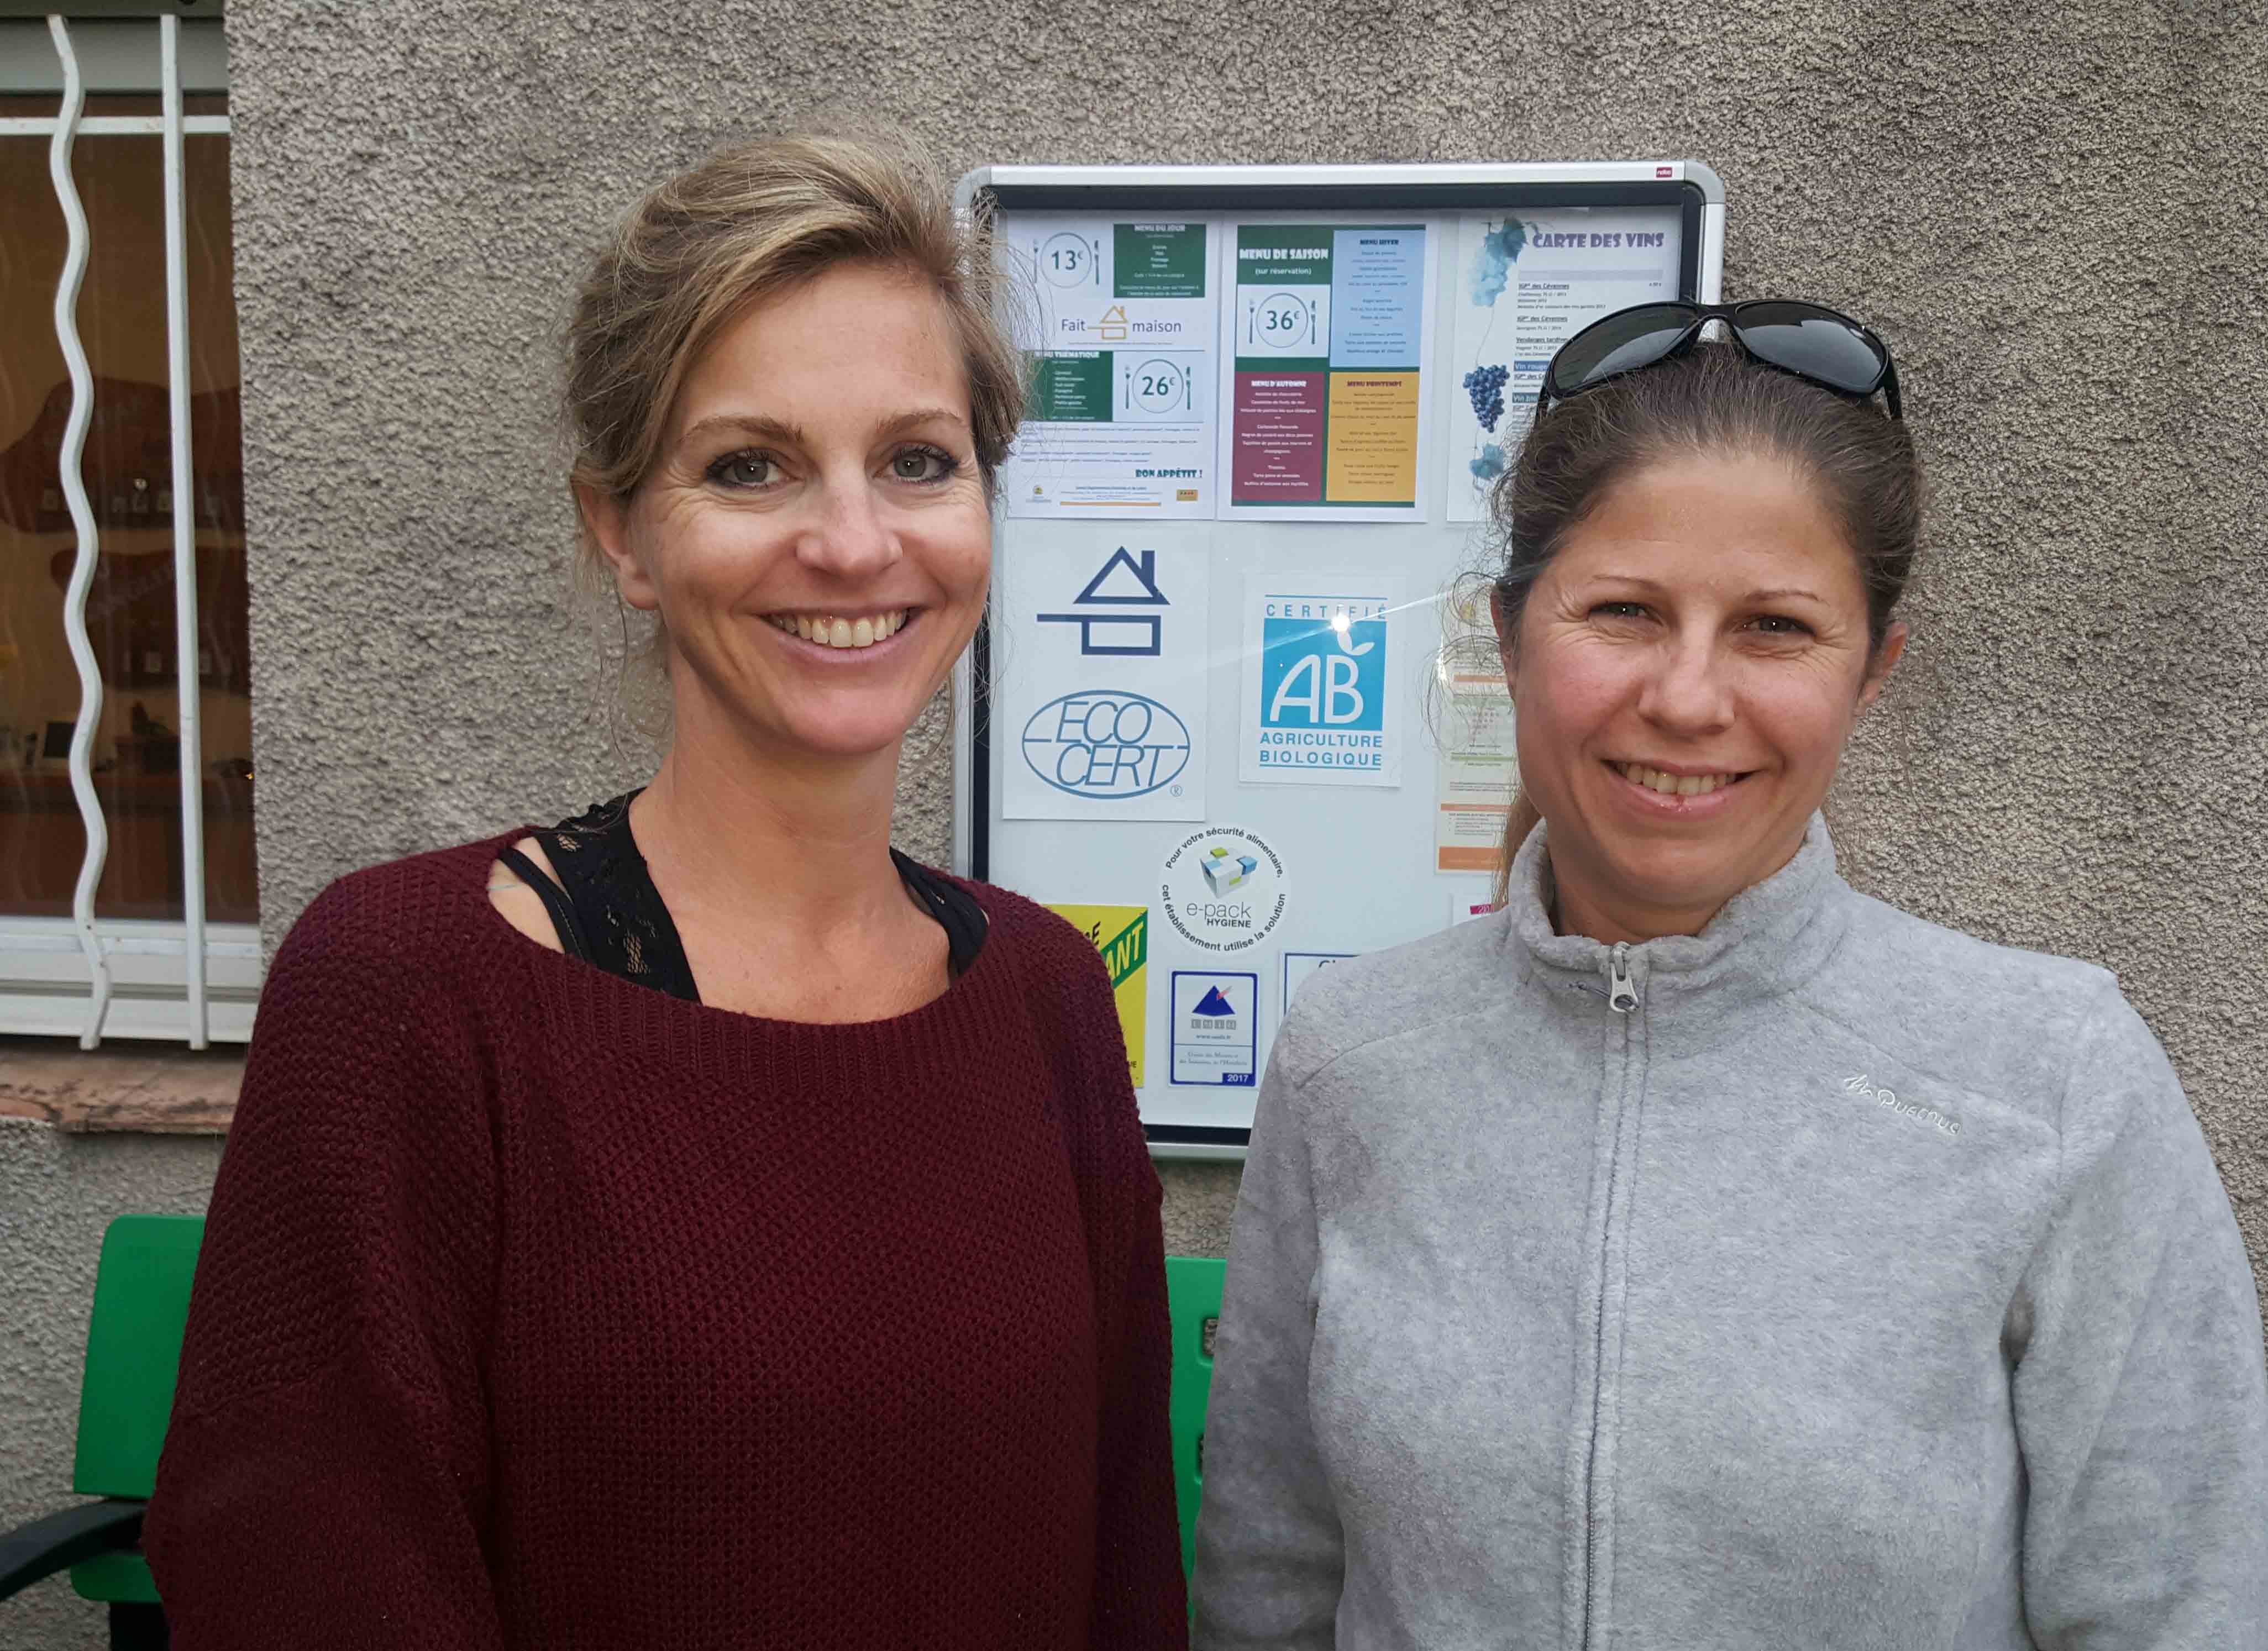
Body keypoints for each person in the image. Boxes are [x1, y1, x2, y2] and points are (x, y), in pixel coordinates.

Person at [146, 134, 1188, 1648]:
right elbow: (300, 1587)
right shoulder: (413, 991)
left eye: (918, 459)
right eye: (749, 466)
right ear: (621, 531)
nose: (853, 542)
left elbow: (1123, 1558)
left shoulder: (1046, 997)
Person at [1190, 303, 2268, 1648]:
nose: (1689, 699)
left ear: (1872, 673)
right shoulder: (1352, 1057)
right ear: (1510, 638)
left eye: (1774, 627)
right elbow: (1270, 1580)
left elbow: (2179, 1607)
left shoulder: (2054, 1075)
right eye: (1624, 612)